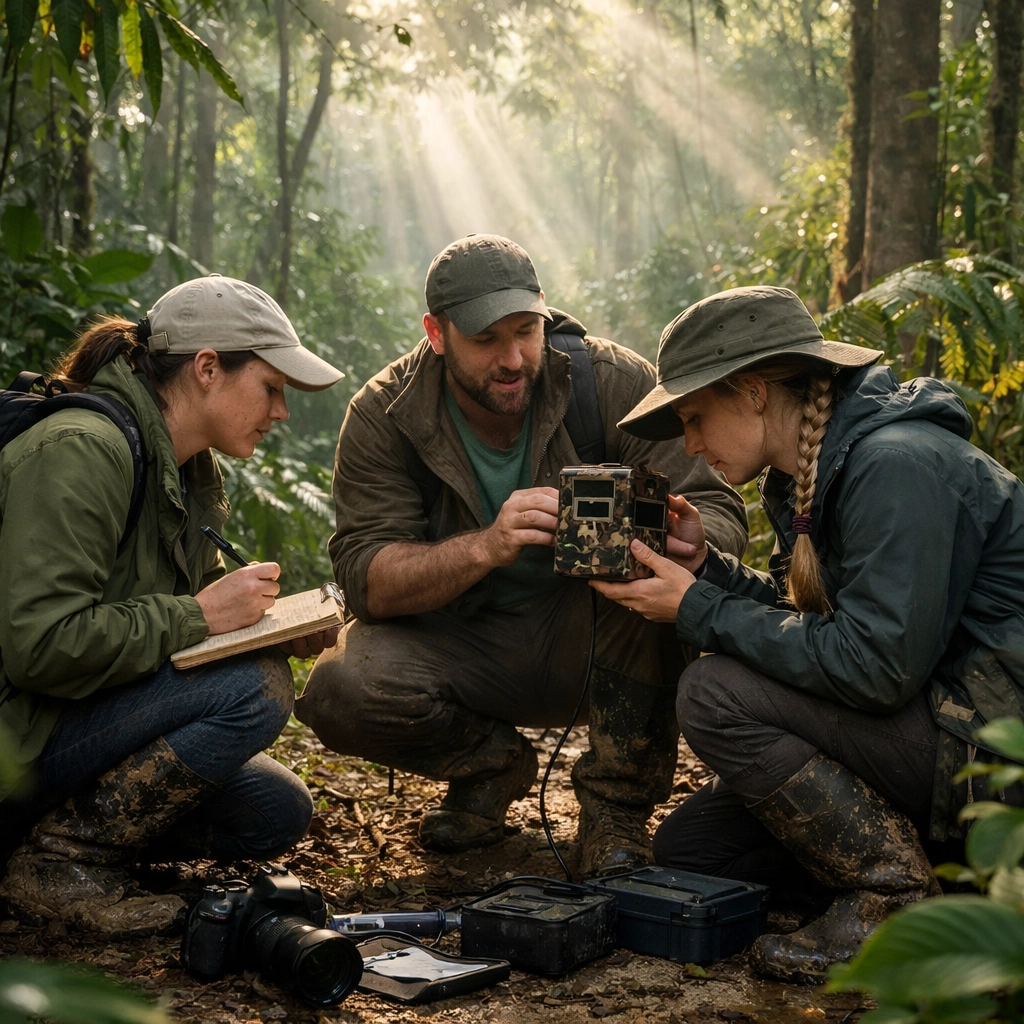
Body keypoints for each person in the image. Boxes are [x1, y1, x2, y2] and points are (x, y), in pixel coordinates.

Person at [593, 284, 1024, 981]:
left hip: (992, 757)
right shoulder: (813, 474)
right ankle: (955, 886)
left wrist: (698, 610)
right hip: (940, 727)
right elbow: (819, 622)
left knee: (712, 691)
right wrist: (707, 571)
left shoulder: (896, 464)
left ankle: (891, 897)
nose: (693, 447)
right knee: (696, 850)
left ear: (754, 390)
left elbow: (877, 667)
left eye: (696, 418)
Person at [295, 234, 748, 877]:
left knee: (655, 596)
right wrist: (487, 547)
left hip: (594, 632)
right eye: (487, 340)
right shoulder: (385, 414)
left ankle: (615, 811)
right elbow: (366, 577)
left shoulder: (611, 381)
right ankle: (491, 766)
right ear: (437, 333)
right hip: (464, 641)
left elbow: (719, 506)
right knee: (342, 685)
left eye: (526, 332)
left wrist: (698, 542)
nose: (512, 359)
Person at [0, 275, 345, 937]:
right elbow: (40, 647)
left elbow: (178, 638)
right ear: (208, 369)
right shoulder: (81, 449)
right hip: (19, 732)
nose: (281, 413)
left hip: (77, 715)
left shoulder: (188, 469)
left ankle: (49, 839)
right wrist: (204, 618)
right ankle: (60, 863)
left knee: (274, 808)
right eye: (272, 389)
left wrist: (268, 631)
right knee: (255, 690)